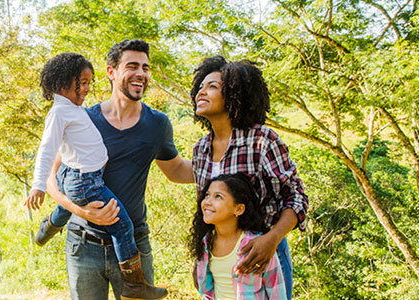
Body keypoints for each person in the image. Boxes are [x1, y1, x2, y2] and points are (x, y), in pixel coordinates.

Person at [27, 39, 194, 300]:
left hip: (133, 244)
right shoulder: (83, 116)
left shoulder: (157, 124)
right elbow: (53, 175)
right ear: (111, 72)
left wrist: (222, 166)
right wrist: (79, 210)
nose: (141, 73)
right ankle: (51, 224)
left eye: (146, 68)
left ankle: (134, 282)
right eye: (132, 66)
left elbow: (177, 171)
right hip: (83, 245)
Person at [190, 56, 308, 299]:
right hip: (217, 258)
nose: (201, 92)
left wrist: (272, 240)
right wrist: (201, 257)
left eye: (212, 86)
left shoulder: (262, 140)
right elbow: (206, 211)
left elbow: (296, 198)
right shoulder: (200, 149)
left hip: (262, 256)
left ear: (234, 95)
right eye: (200, 86)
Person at [191, 173, 287, 300]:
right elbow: (207, 292)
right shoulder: (206, 244)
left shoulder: (257, 246)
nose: (207, 201)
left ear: (239, 209)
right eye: (207, 195)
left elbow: (277, 293)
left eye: (218, 196)